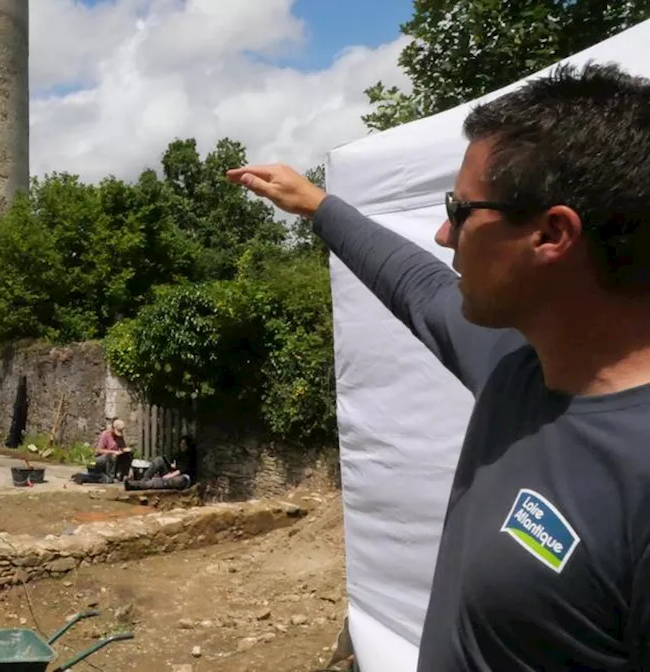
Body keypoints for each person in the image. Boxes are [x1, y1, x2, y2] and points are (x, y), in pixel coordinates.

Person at [225, 61, 650, 670]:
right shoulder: (520, 366)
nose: (444, 233)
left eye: (462, 208)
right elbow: (417, 286)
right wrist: (318, 206)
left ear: (552, 235)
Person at [124, 435, 196, 491]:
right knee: (159, 460)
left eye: (184, 444)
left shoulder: (190, 456)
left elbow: (180, 471)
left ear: (188, 446)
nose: (182, 446)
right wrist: (170, 467)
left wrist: (168, 476)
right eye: (181, 444)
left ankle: (135, 485)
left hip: (183, 478)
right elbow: (174, 465)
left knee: (161, 481)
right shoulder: (179, 454)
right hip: (173, 473)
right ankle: (144, 479)